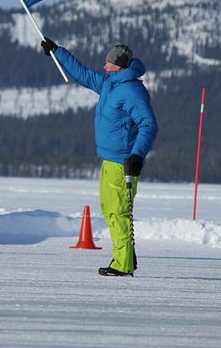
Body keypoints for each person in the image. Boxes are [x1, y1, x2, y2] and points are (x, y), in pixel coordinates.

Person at [41, 38, 158, 276]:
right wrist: (57, 52)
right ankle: (125, 254)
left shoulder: (132, 91)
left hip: (123, 163)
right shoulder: (110, 84)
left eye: (108, 63)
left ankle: (123, 264)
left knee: (118, 211)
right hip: (108, 160)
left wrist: (136, 156)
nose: (104, 66)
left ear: (119, 65)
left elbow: (149, 125)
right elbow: (82, 74)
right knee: (109, 209)